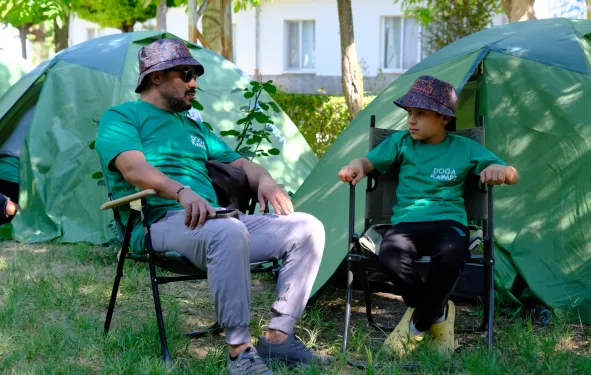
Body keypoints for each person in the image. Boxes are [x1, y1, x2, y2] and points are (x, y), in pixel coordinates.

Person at [95, 38, 331, 375]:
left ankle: (278, 338)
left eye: (196, 74)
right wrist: (181, 192)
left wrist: (264, 178)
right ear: (157, 77)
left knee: (307, 228)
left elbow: (240, 164)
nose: (194, 83)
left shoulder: (195, 128)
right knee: (228, 230)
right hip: (159, 222)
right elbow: (133, 169)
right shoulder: (122, 117)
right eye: (186, 74)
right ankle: (240, 351)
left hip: (212, 221)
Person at [337, 75, 519, 357]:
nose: (411, 120)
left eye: (421, 114)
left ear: (444, 118)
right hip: (406, 223)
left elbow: (512, 173)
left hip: (449, 224)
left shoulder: (464, 147)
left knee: (451, 257)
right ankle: (438, 311)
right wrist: (355, 165)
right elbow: (366, 162)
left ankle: (417, 325)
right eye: (410, 112)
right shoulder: (400, 142)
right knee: (390, 258)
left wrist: (500, 171)